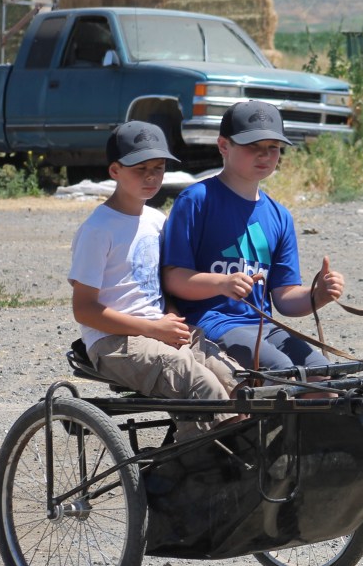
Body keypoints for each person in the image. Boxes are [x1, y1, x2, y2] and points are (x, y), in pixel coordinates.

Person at [68, 120, 240, 436]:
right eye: (140, 169)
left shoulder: (157, 220)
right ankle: (204, 461)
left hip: (159, 331)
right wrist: (153, 328)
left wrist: (171, 319)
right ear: (115, 170)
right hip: (113, 342)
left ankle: (243, 451)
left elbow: (160, 286)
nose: (151, 176)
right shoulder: (98, 229)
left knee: (240, 382)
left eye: (158, 168)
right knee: (199, 384)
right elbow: (84, 309)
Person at [160, 100, 344, 377]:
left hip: (263, 326)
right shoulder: (196, 200)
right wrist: (222, 283)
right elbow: (173, 279)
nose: (264, 155)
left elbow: (285, 297)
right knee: (282, 372)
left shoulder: (279, 215)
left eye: (273, 147)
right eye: (252, 146)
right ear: (223, 146)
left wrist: (318, 295)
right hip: (210, 323)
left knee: (325, 373)